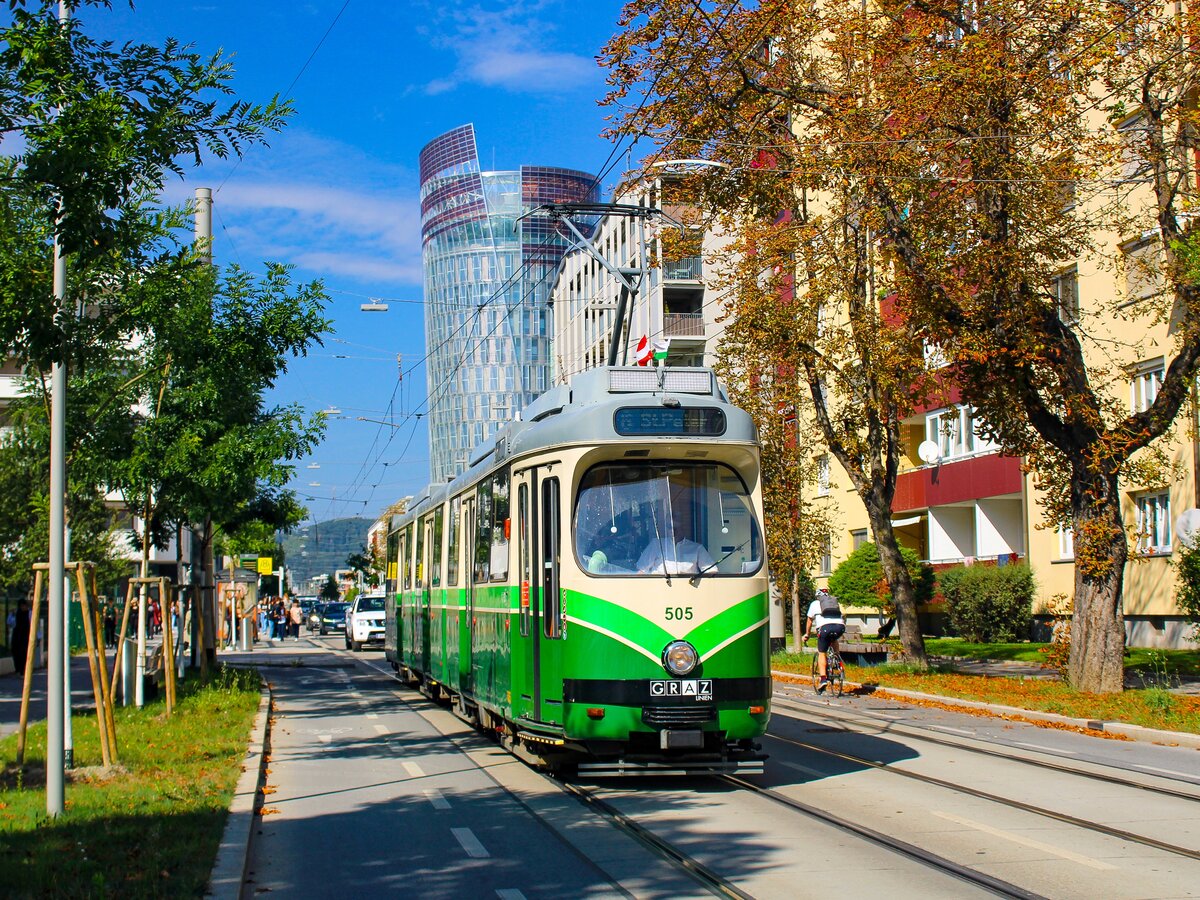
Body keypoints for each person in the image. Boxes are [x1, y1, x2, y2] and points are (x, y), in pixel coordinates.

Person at [804, 588, 846, 693]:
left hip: (825, 628)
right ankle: (838, 662)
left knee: (822, 653)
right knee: (834, 639)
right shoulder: (834, 602)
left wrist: (807, 634)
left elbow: (809, 621)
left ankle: (823, 679)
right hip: (840, 627)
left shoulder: (815, 603)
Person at [636, 535, 716, 575]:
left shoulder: (697, 547)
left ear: (682, 525)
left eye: (676, 524)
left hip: (689, 591)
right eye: (669, 525)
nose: (672, 528)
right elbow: (641, 570)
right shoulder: (656, 544)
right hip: (659, 591)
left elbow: (712, 570)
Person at [10, 597, 30, 677]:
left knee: (24, 654)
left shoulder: (29, 614)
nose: (23, 607)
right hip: (17, 637)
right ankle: (18, 669)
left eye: (24, 606)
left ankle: (23, 670)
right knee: (16, 653)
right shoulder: (15, 614)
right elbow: (10, 622)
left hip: (26, 637)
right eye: (21, 606)